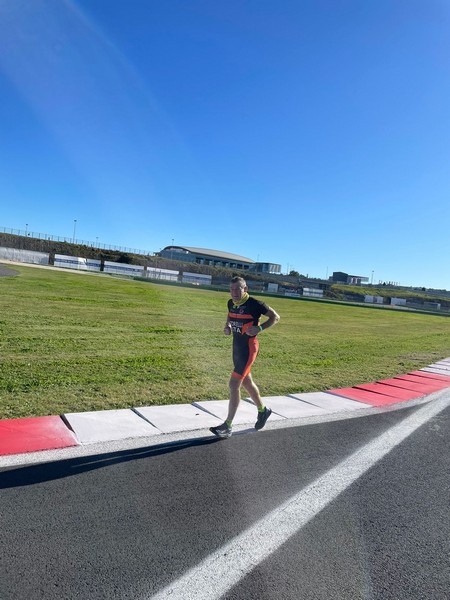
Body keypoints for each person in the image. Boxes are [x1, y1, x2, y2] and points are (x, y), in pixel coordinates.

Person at [210, 276, 280, 439]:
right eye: (231, 289)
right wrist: (227, 326)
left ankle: (227, 425)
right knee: (246, 381)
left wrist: (260, 328)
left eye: (238, 289)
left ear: (245, 289)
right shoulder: (230, 303)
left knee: (234, 384)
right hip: (236, 349)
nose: (234, 292)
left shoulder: (255, 304)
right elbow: (229, 316)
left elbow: (275, 317)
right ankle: (263, 411)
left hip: (249, 349)